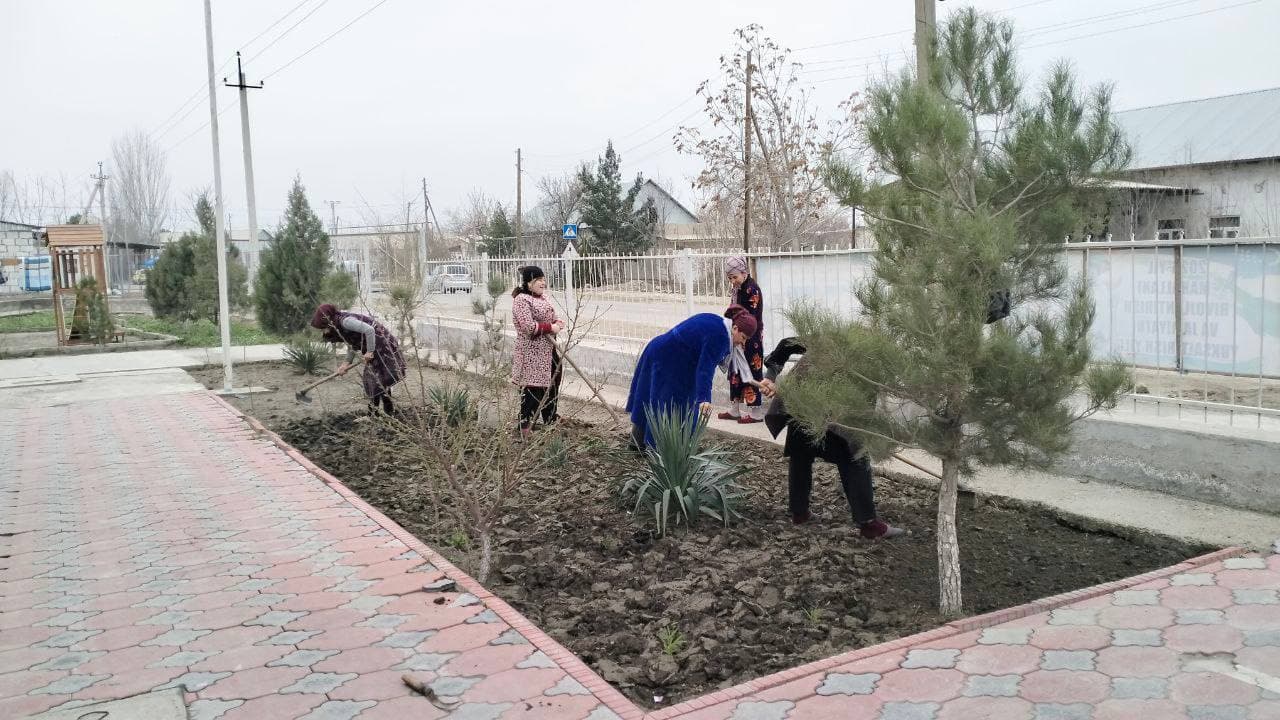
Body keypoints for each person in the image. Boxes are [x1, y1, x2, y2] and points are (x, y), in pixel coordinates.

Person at [758, 337, 904, 540]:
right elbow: (860, 417)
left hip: (801, 400)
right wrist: (770, 377)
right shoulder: (868, 364)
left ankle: (799, 513)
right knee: (856, 456)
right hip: (812, 403)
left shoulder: (829, 336)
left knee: (801, 454)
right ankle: (869, 524)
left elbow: (786, 344)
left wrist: (771, 374)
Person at [626, 306, 758, 449]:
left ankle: (638, 446)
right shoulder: (720, 337)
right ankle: (659, 453)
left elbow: (735, 364)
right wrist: (704, 399)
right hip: (667, 361)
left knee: (655, 400)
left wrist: (758, 383)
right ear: (735, 328)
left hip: (662, 352)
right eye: (743, 337)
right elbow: (705, 369)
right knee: (667, 406)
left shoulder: (720, 324)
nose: (743, 343)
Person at [311, 304, 407, 415]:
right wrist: (345, 363)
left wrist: (370, 351)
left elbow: (369, 330)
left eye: (323, 328)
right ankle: (381, 413)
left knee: (377, 381)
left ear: (329, 322)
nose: (323, 332)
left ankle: (379, 413)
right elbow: (354, 343)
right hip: (374, 348)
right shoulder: (339, 325)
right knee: (375, 381)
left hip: (384, 346)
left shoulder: (345, 322)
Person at [510, 265, 564, 438]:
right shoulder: (521, 300)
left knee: (553, 383)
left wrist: (557, 324)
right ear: (528, 283)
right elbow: (528, 327)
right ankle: (525, 423)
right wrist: (551, 327)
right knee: (533, 388)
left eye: (543, 279)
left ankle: (550, 418)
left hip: (548, 350)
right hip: (531, 352)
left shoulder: (543, 298)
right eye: (538, 280)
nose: (543, 282)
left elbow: (554, 317)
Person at [720, 256, 766, 424]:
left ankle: (756, 412)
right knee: (735, 370)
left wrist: (742, 336)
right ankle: (735, 409)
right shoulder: (738, 288)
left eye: (735, 277)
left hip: (750, 337)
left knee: (752, 370)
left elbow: (750, 318)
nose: (732, 281)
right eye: (730, 278)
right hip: (737, 335)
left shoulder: (752, 289)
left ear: (744, 272)